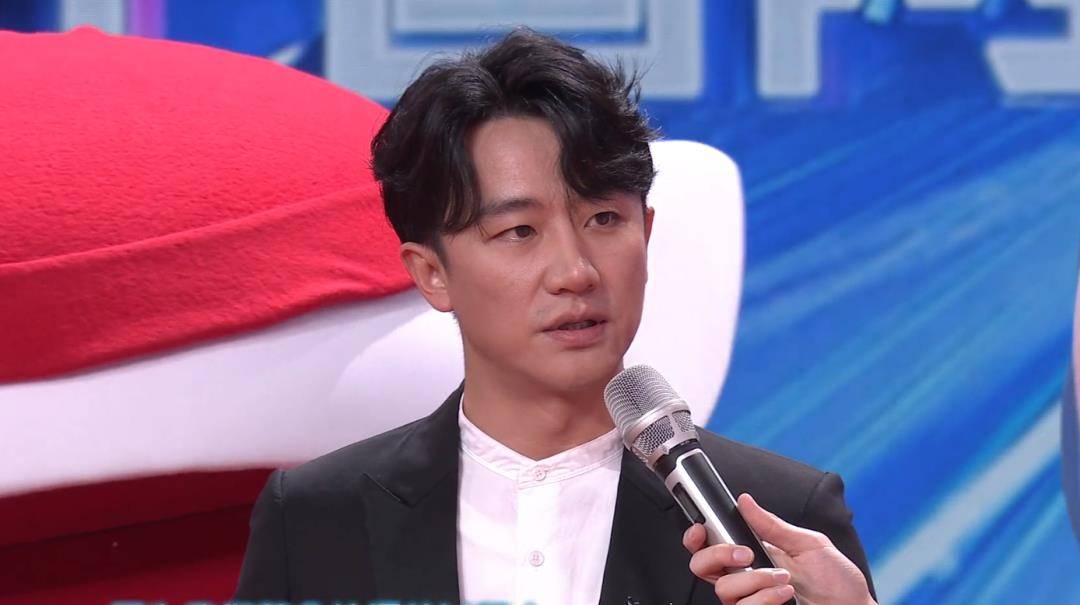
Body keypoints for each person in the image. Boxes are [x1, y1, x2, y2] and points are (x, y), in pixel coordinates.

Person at [232, 27, 877, 605]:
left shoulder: (782, 519)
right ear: (432, 274)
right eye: (519, 231)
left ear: (647, 233)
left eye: (605, 218)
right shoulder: (316, 519)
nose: (576, 271)